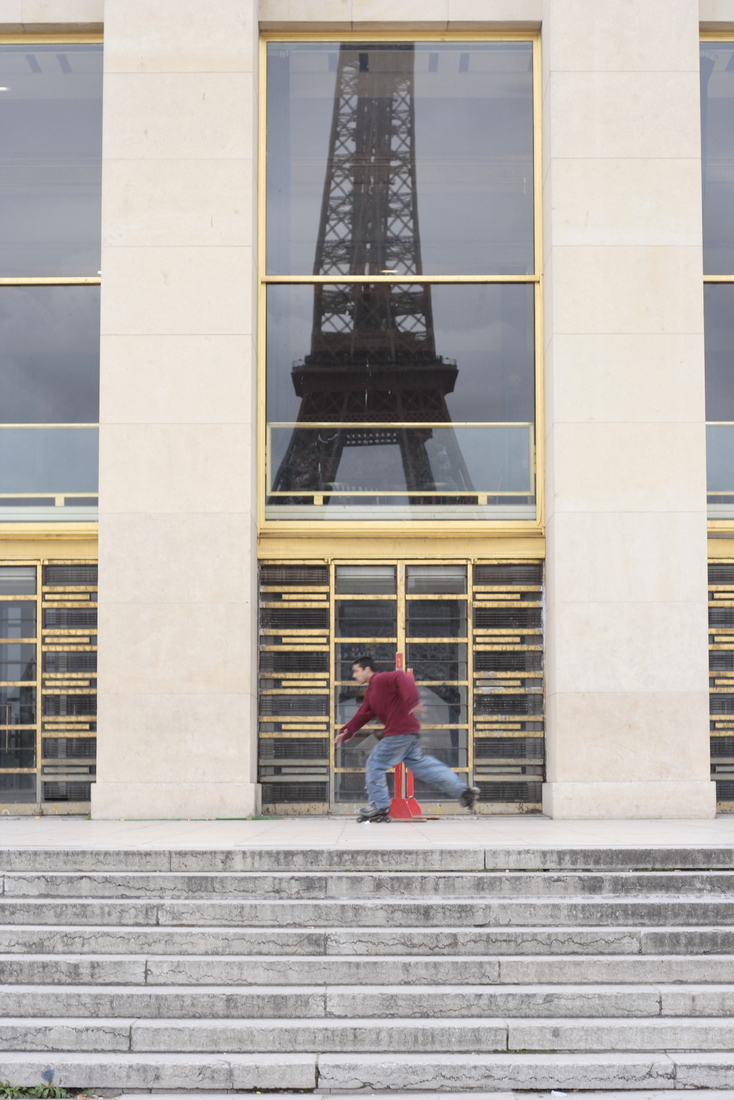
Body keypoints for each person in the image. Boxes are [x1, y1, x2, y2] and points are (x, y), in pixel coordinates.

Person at [336, 655, 480, 822]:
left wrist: (412, 701)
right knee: (422, 766)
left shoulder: (381, 679)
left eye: (356, 671)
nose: (354, 676)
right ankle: (463, 791)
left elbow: (402, 676)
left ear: (367, 669)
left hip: (399, 732)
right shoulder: (371, 693)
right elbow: (363, 715)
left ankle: (379, 805)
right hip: (408, 733)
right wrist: (346, 731)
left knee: (375, 763)